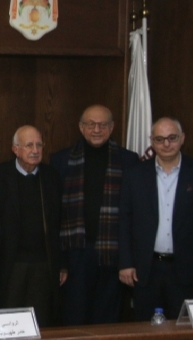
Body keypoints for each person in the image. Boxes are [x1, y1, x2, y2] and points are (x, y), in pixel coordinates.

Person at [118, 117, 193, 321]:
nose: (166, 144)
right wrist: (125, 263)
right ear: (152, 141)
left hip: (187, 270)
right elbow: (124, 221)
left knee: (184, 329)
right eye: (160, 139)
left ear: (182, 138)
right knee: (145, 330)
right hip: (146, 270)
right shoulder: (134, 174)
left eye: (172, 138)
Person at [50, 105, 140, 325]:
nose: (97, 129)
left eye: (103, 124)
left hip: (113, 253)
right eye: (91, 124)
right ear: (81, 128)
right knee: (74, 318)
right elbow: (54, 215)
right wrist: (61, 261)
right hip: (75, 254)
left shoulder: (129, 160)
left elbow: (134, 212)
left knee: (108, 319)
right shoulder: (61, 160)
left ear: (112, 127)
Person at [0, 125, 66, 328]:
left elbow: (61, 223)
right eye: (29, 145)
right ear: (15, 149)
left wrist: (62, 263)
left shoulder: (51, 177)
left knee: (39, 322)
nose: (35, 150)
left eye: (39, 145)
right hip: (9, 263)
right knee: (7, 321)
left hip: (43, 264)